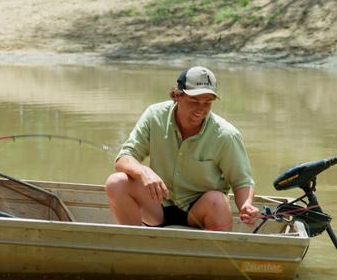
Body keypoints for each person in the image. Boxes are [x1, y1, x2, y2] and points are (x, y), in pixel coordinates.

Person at [105, 66, 259, 231]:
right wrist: (143, 172)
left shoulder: (227, 135)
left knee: (218, 200)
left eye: (207, 102)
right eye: (194, 101)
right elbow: (124, 157)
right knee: (116, 182)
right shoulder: (154, 115)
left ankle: (211, 256)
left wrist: (246, 205)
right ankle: (134, 246)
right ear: (177, 95)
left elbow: (242, 181)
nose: (201, 109)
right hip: (158, 205)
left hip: (200, 211)